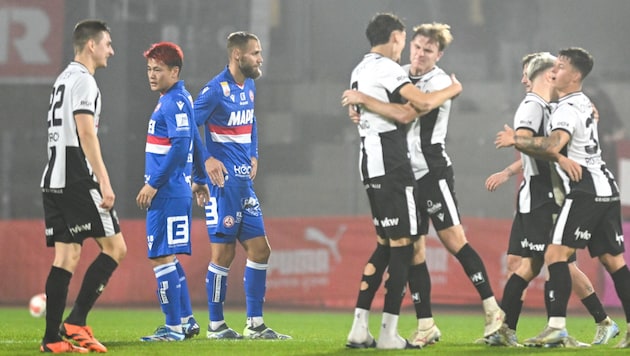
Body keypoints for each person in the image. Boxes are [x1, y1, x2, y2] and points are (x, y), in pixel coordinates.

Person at [342, 21, 504, 347]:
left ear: (439, 54)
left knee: (454, 240)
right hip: (403, 173)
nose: (419, 54)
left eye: (428, 50)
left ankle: (492, 310)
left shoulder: (440, 80)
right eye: (416, 47)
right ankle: (426, 323)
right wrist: (361, 110)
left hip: (431, 171)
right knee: (413, 249)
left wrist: (367, 101)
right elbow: (384, 106)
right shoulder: (398, 72)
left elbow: (415, 109)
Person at [495, 47, 630, 349]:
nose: (554, 71)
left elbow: (554, 142)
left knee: (554, 256)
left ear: (575, 76)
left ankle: (556, 328)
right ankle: (613, 324)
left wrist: (515, 139)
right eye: (553, 66)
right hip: (606, 187)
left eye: (561, 67)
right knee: (613, 261)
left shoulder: (566, 109)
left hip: (585, 191)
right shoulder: (579, 102)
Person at [193, 31, 290, 340]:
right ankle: (216, 326)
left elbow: (253, 122)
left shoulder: (249, 85)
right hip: (222, 185)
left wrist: (254, 153)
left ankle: (255, 324)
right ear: (237, 55)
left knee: (261, 250)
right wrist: (206, 161)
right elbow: (188, 126)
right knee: (223, 255)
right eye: (255, 53)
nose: (260, 58)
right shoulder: (214, 90)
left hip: (244, 184)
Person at [39, 19, 127, 353]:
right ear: (91, 45)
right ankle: (76, 322)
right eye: (107, 44)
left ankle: (51, 340)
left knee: (67, 255)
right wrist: (104, 180)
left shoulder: (63, 78)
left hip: (53, 179)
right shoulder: (85, 82)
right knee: (116, 249)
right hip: (76, 177)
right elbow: (86, 132)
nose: (111, 50)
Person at [137, 42, 210, 342]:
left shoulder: (172, 102)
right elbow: (193, 136)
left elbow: (181, 146)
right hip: (176, 189)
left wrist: (153, 183)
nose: (152, 75)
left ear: (174, 71)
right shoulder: (179, 98)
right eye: (149, 69)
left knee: (161, 257)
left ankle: (173, 328)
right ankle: (186, 320)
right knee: (169, 257)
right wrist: (201, 177)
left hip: (166, 191)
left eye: (159, 70)